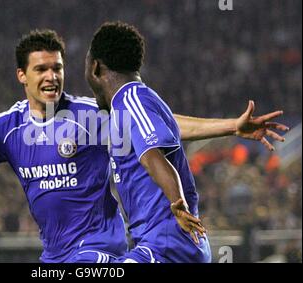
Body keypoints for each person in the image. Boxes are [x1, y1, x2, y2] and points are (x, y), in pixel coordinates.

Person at [0, 29, 288, 263]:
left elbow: (160, 128)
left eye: (58, 67)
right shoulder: (5, 130)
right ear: (22, 76)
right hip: (56, 256)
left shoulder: (93, 115)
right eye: (42, 69)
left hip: (101, 251)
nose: (52, 76)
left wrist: (229, 126)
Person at [84, 21, 288, 263]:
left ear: (95, 67)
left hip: (166, 247)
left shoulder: (129, 100)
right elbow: (174, 126)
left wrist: (177, 202)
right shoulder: (142, 101)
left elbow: (151, 155)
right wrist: (233, 126)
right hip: (172, 245)